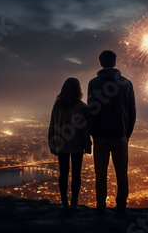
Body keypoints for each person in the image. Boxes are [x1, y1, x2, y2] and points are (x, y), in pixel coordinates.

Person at [88, 50, 136, 214]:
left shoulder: (93, 83)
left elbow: (91, 111)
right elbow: (132, 112)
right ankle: (121, 206)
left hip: (101, 137)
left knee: (100, 174)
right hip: (120, 136)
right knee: (122, 174)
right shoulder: (127, 84)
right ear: (115, 62)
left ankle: (101, 206)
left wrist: (94, 133)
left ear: (101, 62)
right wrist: (126, 134)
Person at [48, 77, 92, 212]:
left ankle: (64, 202)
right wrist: (87, 145)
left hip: (61, 145)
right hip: (77, 145)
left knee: (63, 173)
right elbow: (85, 129)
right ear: (78, 90)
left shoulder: (57, 106)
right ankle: (74, 202)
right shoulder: (82, 107)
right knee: (76, 174)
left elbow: (52, 127)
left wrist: (52, 145)